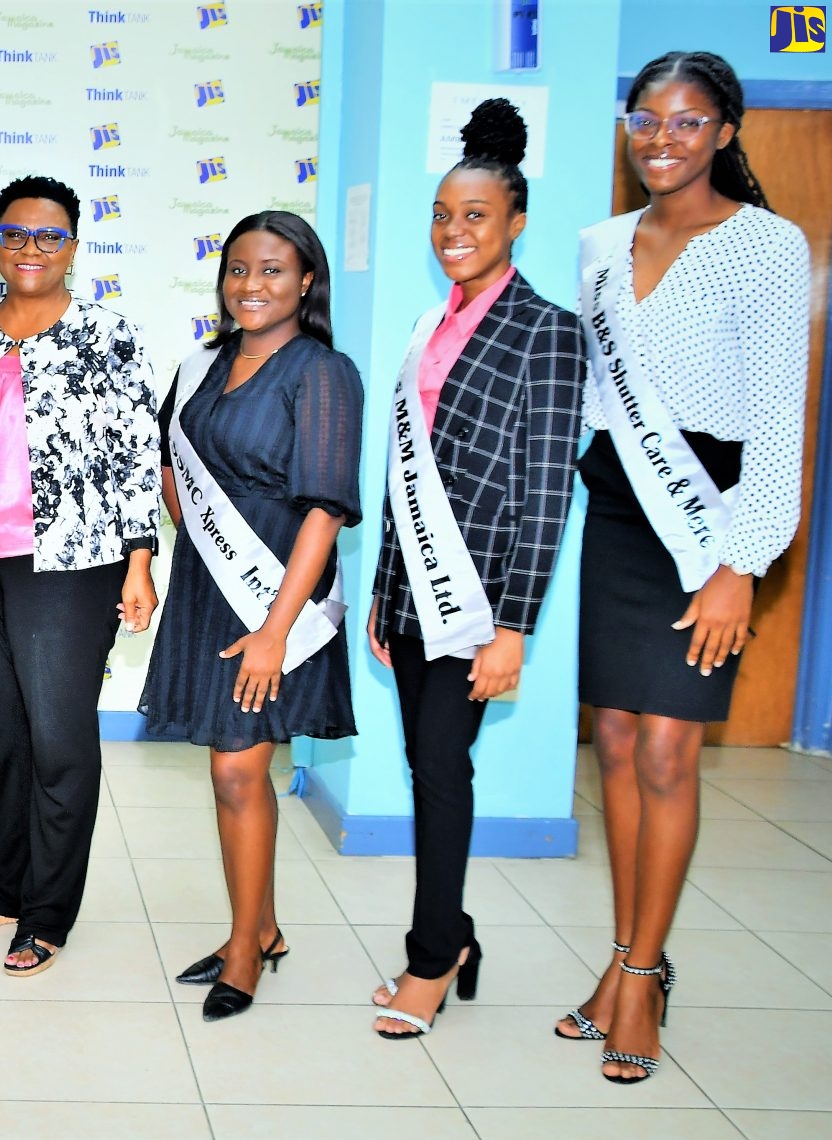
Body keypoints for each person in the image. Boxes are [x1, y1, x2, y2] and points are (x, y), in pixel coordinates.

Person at [556, 51, 808, 1084]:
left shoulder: (765, 245)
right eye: (644, 119)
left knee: (666, 752)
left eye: (686, 121)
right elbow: (588, 395)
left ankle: (644, 976)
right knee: (613, 744)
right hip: (615, 509)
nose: (660, 138)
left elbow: (773, 426)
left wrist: (737, 564)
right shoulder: (598, 244)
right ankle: (620, 962)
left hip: (707, 516)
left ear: (725, 131)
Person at [364, 100, 585, 1039]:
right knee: (425, 761)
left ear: (517, 222)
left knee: (443, 770)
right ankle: (454, 934)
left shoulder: (549, 329)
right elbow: (397, 471)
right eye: (443, 216)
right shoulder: (429, 321)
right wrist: (381, 589)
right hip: (410, 588)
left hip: (480, 594)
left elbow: (545, 492)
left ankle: (430, 958)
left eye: (477, 216)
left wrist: (513, 625)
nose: (455, 232)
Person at [139, 210, 363, 1021]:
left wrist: (275, 627)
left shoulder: (322, 372)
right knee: (229, 771)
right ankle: (260, 926)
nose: (251, 286)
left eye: (272, 270)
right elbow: (170, 458)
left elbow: (326, 508)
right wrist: (191, 525)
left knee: (240, 769)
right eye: (238, 269)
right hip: (210, 586)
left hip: (277, 597)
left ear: (306, 280)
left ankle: (245, 947)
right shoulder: (204, 365)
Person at [0, 176, 160, 977]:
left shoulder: (106, 332)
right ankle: (9, 879)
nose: (30, 248)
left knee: (58, 738)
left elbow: (138, 451)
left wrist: (139, 559)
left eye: (49, 235)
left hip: (69, 564)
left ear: (73, 245)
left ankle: (50, 909)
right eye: (15, 233)